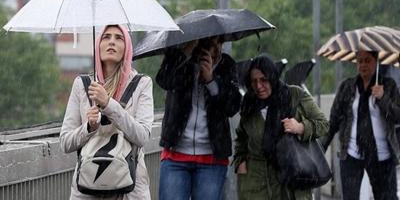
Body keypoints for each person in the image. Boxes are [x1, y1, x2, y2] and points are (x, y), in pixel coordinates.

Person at [60, 25, 154, 200]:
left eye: (119, 38)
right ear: (97, 45)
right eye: (106, 37)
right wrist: (88, 127)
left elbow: (142, 136)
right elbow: (65, 142)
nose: (112, 41)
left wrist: (108, 104)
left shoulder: (142, 83)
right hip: (88, 189)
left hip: (130, 190)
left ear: (127, 47)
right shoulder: (82, 84)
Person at [156, 36, 241, 200]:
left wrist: (211, 80)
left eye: (214, 43)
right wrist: (185, 51)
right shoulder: (179, 59)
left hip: (212, 157)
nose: (209, 48)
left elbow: (232, 106)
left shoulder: (226, 65)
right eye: (204, 42)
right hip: (176, 154)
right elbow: (164, 80)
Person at [233, 55, 329, 200]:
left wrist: (301, 127)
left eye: (263, 80)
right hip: (256, 183)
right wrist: (240, 162)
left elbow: (324, 124)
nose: (259, 86)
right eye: (254, 81)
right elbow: (241, 138)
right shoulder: (249, 105)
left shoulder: (294, 95)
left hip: (291, 177)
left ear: (272, 77)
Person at [321, 50, 400, 200]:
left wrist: (383, 98)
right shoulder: (347, 87)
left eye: (368, 60)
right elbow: (334, 120)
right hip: (351, 152)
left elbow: (397, 117)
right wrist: (321, 148)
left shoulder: (388, 85)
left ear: (376, 62)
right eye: (360, 61)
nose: (363, 65)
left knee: (387, 197)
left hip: (381, 155)